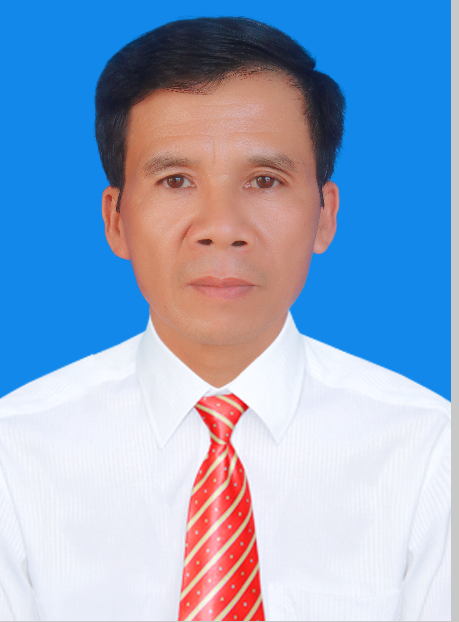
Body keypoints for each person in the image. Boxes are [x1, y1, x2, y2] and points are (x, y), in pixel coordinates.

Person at [0, 16, 450, 622]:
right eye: (176, 180)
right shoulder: (15, 453)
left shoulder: (430, 452)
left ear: (324, 215)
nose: (221, 228)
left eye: (264, 180)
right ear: (116, 220)